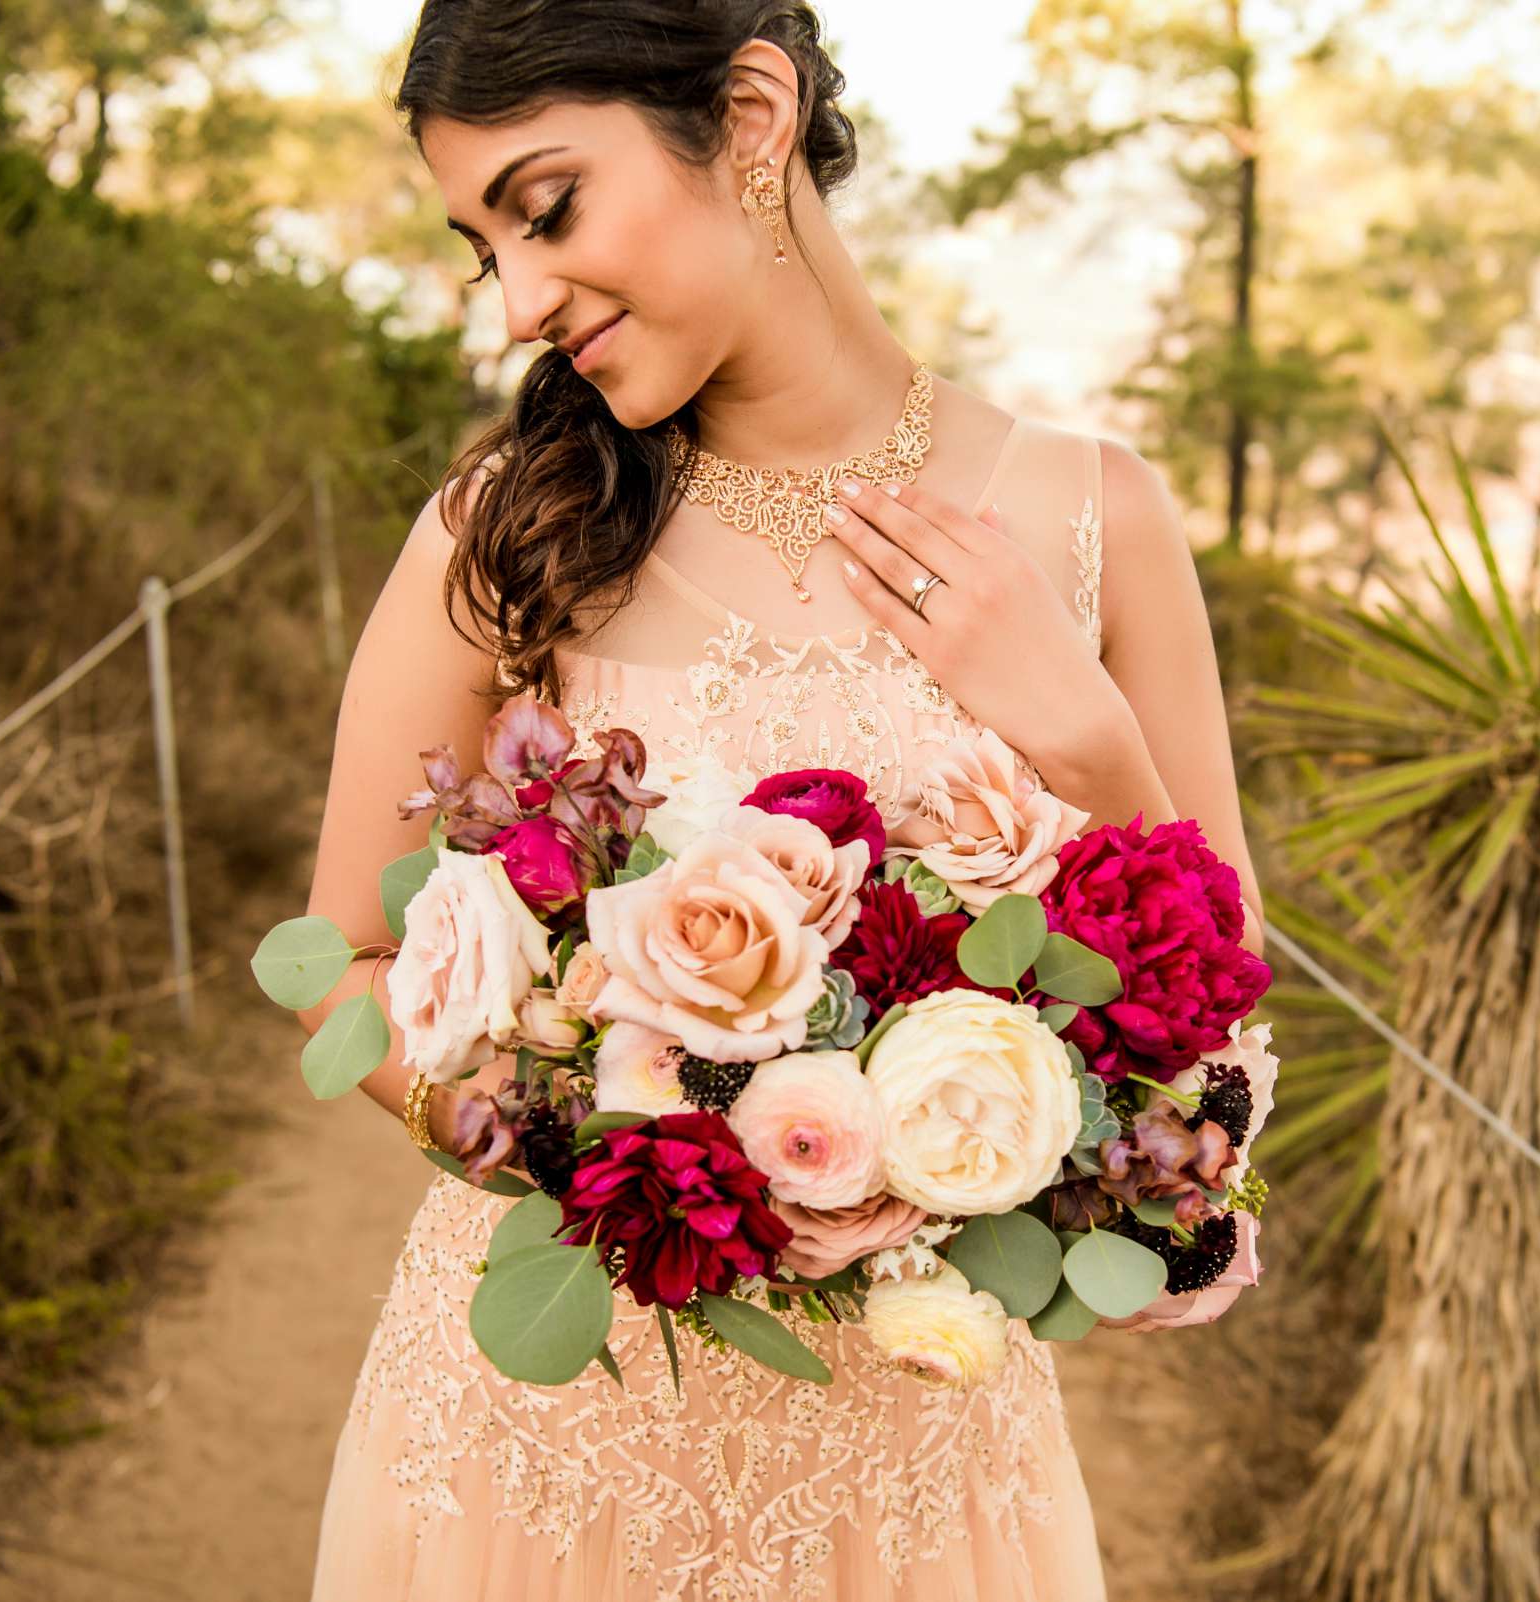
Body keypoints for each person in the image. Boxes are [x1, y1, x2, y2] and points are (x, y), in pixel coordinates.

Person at [297, 3, 1266, 1596]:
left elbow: (1224, 1044)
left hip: (918, 1485)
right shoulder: (507, 529)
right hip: (539, 1454)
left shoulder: (1097, 518)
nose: (523, 298)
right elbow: (338, 959)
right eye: (487, 248)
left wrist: (1091, 747)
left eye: (547, 210)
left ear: (752, 114)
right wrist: (575, 1144)